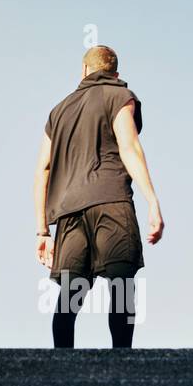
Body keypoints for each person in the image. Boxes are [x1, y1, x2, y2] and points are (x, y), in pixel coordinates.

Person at [33, 45, 164, 348]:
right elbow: (129, 146)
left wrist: (42, 230)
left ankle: (63, 368)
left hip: (70, 211)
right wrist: (152, 201)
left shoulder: (58, 111)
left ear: (83, 71)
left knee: (70, 294)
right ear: (116, 74)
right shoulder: (119, 95)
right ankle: (122, 362)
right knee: (121, 285)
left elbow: (43, 168)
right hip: (111, 200)